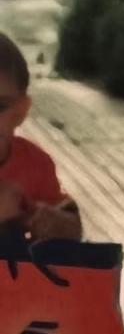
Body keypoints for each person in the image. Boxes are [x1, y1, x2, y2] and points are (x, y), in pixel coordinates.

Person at [0, 32, 82, 244]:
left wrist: (55, 223)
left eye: (0, 106)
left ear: (21, 111)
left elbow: (70, 226)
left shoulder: (35, 164)